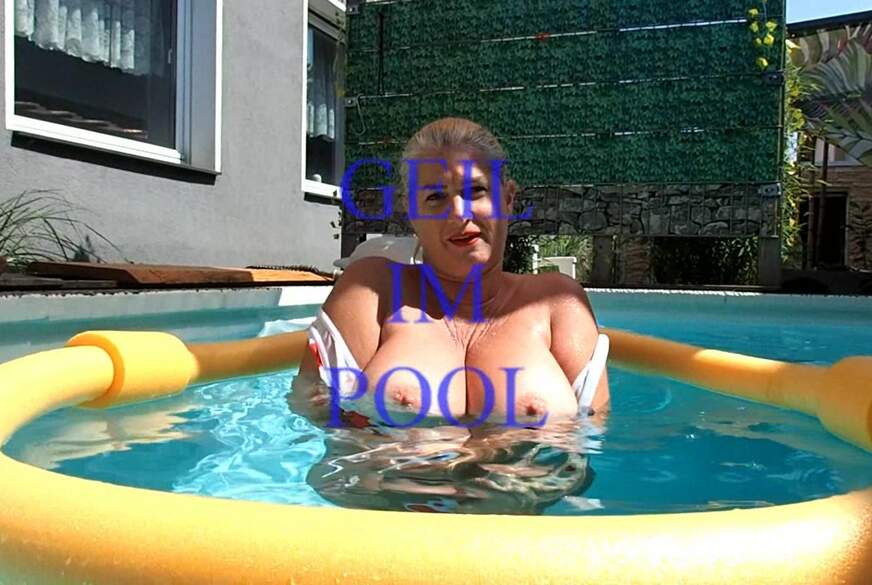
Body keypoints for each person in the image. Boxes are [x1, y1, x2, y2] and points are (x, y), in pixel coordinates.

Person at [293, 117, 609, 429]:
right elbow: (315, 415)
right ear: (411, 211)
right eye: (435, 197)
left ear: (508, 199)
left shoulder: (559, 304)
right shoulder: (372, 293)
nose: (459, 213)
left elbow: (594, 435)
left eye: (476, 191)